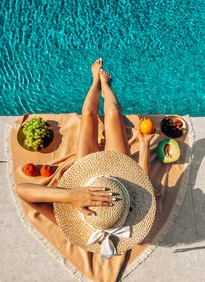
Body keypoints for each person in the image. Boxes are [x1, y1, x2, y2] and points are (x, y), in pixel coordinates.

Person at [17, 59, 155, 224]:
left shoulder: (70, 223)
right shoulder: (128, 214)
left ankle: (95, 81)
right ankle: (105, 86)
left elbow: (21, 190)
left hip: (85, 181)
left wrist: (71, 196)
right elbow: (143, 184)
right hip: (120, 178)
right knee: (113, 112)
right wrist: (144, 143)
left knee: (88, 115)